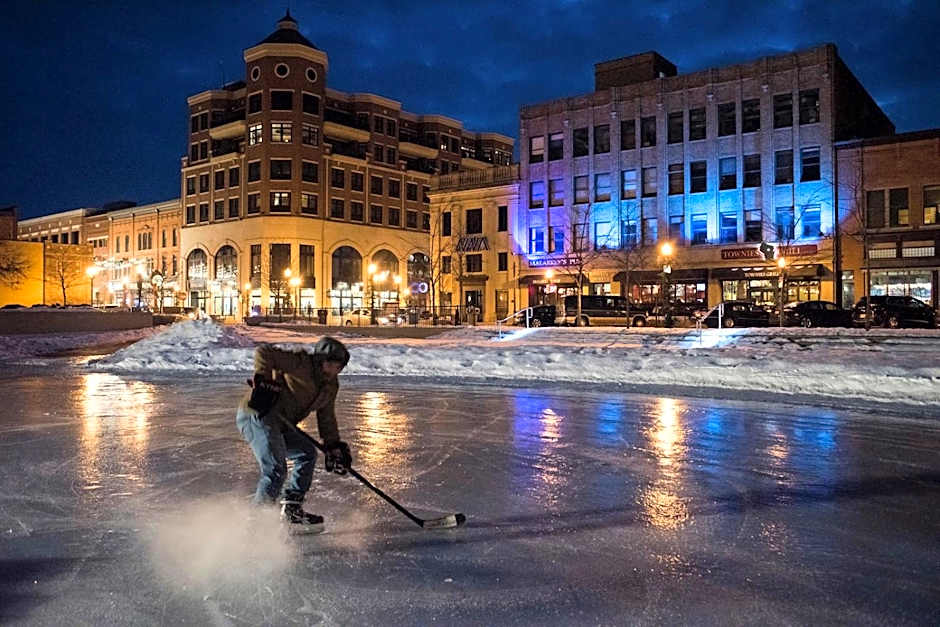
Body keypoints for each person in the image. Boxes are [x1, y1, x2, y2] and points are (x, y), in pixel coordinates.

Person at [236, 336, 353, 533]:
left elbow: (327, 417)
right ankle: (256, 525)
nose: (334, 370)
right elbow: (264, 352)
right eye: (330, 364)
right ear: (320, 360)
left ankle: (292, 509)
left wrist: (332, 445)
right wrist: (263, 381)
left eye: (339, 366)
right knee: (275, 469)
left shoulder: (330, 386)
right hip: (259, 415)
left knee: (306, 453)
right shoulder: (301, 364)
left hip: (283, 423)